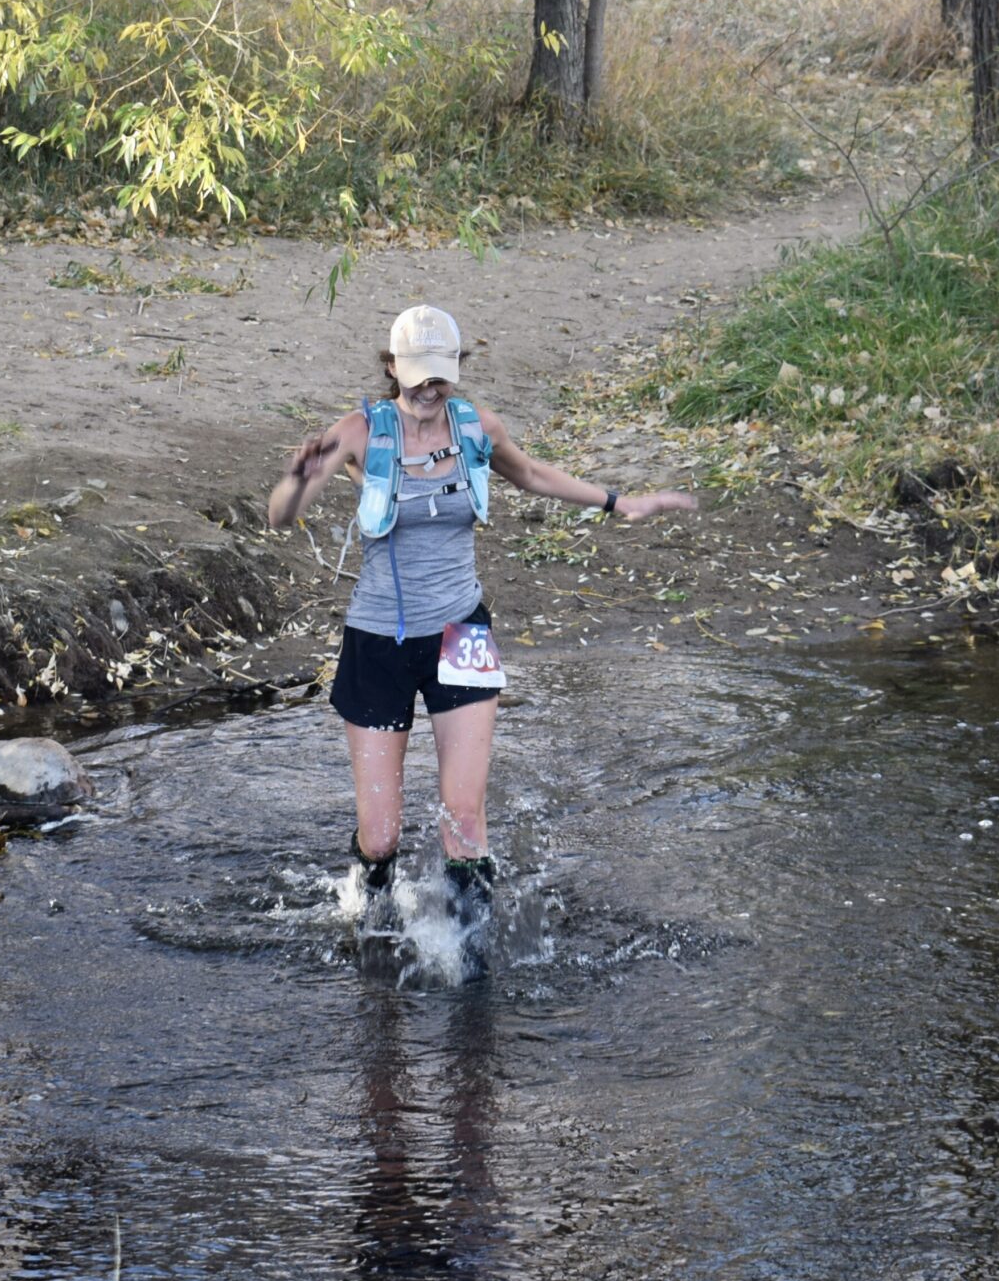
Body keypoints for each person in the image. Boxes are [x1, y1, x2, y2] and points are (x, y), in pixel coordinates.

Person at [264, 304, 697, 947]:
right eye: (416, 374)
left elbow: (533, 474)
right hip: (378, 641)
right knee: (380, 836)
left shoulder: (476, 428)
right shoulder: (361, 430)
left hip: (461, 633)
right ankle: (370, 918)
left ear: (456, 369)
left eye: (439, 374)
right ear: (392, 368)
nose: (428, 388)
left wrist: (618, 502)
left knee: (464, 818)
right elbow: (280, 515)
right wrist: (297, 482)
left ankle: (469, 961)